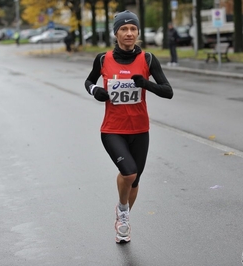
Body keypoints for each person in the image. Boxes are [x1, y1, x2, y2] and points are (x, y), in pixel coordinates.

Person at [84, 10, 174, 244]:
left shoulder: (148, 59)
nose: (129, 33)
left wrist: (146, 83)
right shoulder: (103, 59)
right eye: (123, 29)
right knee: (129, 171)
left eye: (133, 29)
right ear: (116, 33)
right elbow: (89, 81)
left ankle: (123, 216)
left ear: (138, 33)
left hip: (140, 129)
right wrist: (96, 92)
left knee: (134, 180)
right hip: (112, 129)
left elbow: (168, 92)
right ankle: (123, 213)